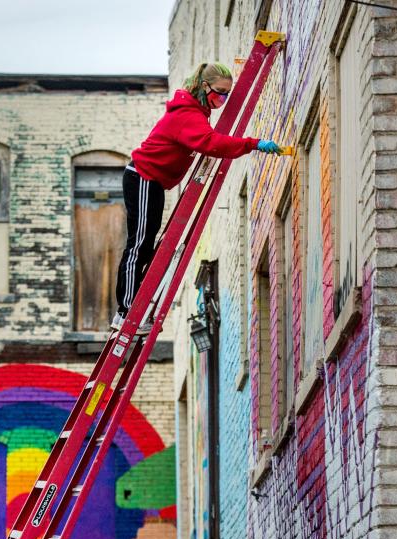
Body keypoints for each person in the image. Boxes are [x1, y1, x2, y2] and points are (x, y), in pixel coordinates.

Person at [113, 61, 282, 334]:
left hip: (152, 181)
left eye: (227, 93)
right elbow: (210, 143)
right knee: (140, 244)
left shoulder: (198, 112)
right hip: (142, 176)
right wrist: (253, 144)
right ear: (204, 86)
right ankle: (125, 313)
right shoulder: (187, 114)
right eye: (220, 92)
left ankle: (131, 309)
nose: (223, 99)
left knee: (145, 244)